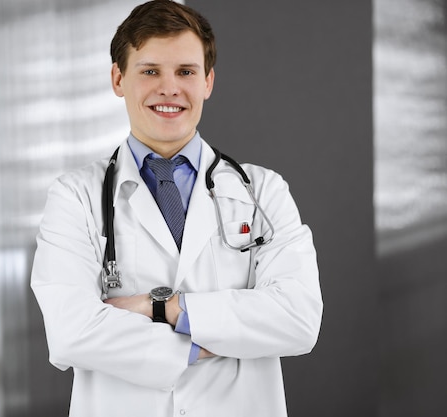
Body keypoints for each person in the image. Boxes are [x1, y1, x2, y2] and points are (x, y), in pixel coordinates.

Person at [31, 1, 323, 416]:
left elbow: (298, 319)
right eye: (150, 71)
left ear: (208, 81)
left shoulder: (263, 191)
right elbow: (70, 332)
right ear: (118, 78)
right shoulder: (74, 196)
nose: (169, 88)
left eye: (186, 72)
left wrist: (161, 307)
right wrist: (212, 337)